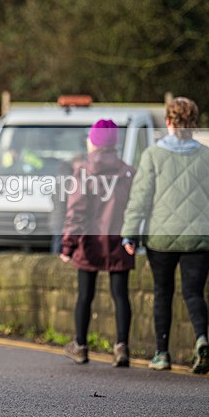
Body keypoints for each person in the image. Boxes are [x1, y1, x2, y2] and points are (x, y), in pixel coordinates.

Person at [122, 97, 209, 374]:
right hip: (201, 236)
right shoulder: (208, 156)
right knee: (194, 293)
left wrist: (129, 234)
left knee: (162, 293)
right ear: (194, 123)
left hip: (161, 237)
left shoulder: (153, 155)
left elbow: (140, 199)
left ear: (167, 121)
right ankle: (202, 339)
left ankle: (162, 354)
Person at [59, 120, 135, 367]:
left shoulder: (83, 170)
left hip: (88, 243)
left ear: (93, 142)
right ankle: (121, 347)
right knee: (120, 296)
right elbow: (135, 209)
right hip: (119, 241)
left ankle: (80, 346)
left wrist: (68, 246)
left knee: (85, 296)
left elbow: (77, 211)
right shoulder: (127, 172)